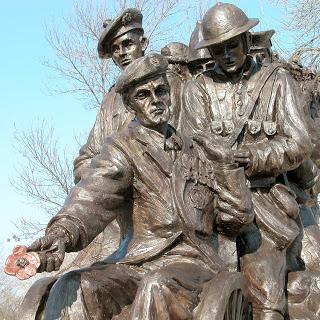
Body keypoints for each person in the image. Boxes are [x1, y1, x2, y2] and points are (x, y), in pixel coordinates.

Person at [20, 53, 253, 320]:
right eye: (143, 95)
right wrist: (61, 234)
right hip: (135, 261)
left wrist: (227, 165)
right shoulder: (122, 148)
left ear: (170, 94)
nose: (155, 100)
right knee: (76, 284)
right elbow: (92, 197)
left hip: (191, 262)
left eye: (160, 90)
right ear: (131, 105)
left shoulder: (197, 149)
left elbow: (237, 219)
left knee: (157, 286)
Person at [181, 2, 313, 319]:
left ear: (245, 40)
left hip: (263, 202)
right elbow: (190, 148)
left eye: (231, 46)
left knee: (266, 291)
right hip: (211, 203)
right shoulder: (197, 89)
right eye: (217, 49)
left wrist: (254, 156)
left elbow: (299, 144)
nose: (225, 55)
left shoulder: (277, 82)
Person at [161, 42, 191, 128]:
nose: (191, 71)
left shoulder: (161, 81)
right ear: (178, 65)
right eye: (188, 66)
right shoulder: (174, 82)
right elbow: (173, 115)